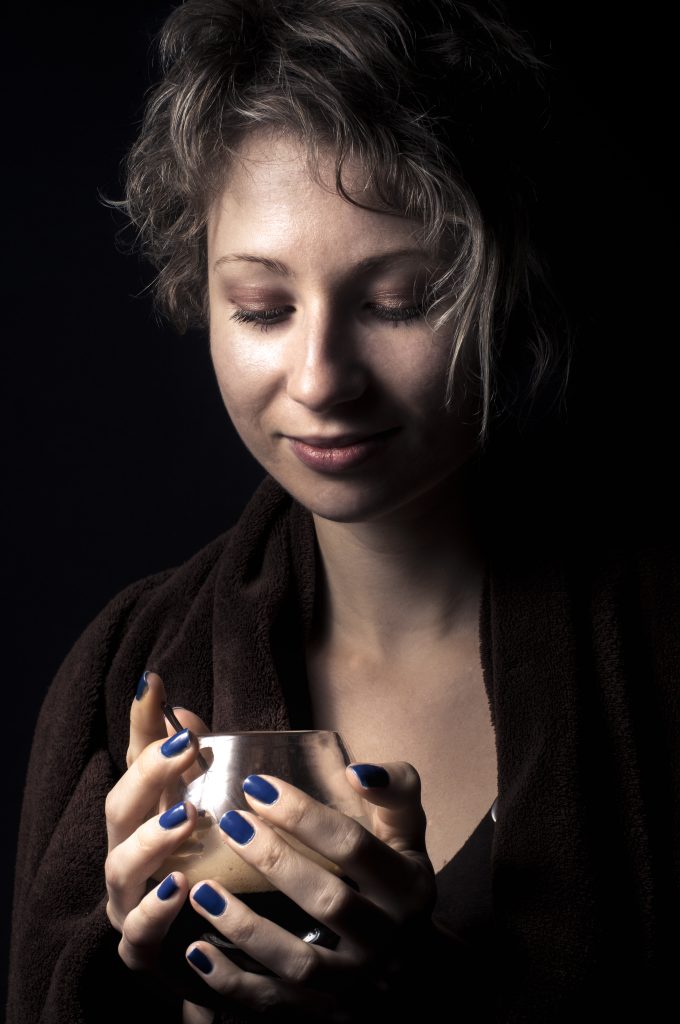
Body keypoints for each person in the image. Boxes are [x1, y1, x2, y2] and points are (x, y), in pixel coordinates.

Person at [6, 1, 678, 1022]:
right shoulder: (119, 673)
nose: (320, 377)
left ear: (508, 287)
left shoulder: (659, 641)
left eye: (398, 300)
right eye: (263, 308)